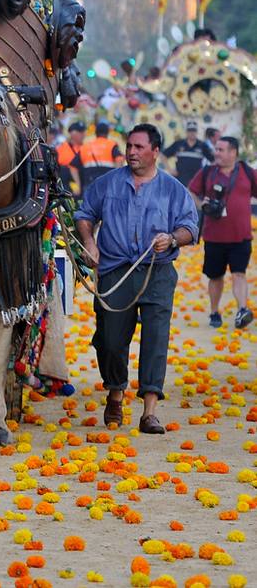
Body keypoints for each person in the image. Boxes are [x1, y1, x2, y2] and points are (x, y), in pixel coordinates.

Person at [74, 124, 198, 435]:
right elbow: (85, 213)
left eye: (139, 147)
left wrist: (171, 239)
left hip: (157, 272)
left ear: (155, 152)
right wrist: (90, 243)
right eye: (129, 146)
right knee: (111, 340)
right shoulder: (108, 184)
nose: (131, 152)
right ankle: (115, 393)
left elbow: (190, 228)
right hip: (116, 270)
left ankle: (149, 411)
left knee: (156, 339)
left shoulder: (173, 189)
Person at [188, 136, 254, 329]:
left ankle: (242, 309)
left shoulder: (248, 172)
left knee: (239, 274)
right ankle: (214, 311)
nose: (216, 152)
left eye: (220, 149)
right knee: (215, 276)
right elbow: (191, 192)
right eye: (216, 149)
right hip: (214, 237)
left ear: (233, 152)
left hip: (241, 236)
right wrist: (202, 205)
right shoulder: (208, 171)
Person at [79, 122, 122, 190]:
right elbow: (119, 160)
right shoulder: (112, 144)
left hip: (89, 180)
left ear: (95, 133)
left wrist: (78, 184)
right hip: (106, 180)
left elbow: (74, 165)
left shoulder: (85, 146)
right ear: (107, 133)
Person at [57, 122, 86, 197]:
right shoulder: (63, 148)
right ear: (73, 134)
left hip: (83, 181)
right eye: (80, 132)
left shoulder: (85, 148)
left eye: (83, 132)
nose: (83, 135)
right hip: (67, 183)